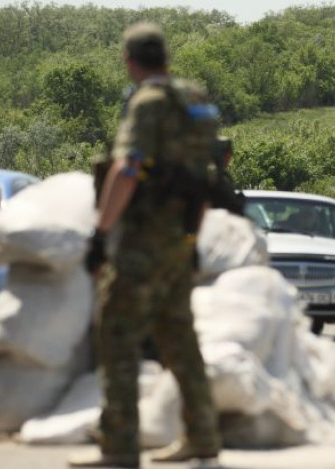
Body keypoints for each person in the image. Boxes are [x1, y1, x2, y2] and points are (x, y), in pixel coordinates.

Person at [69, 23, 221, 468]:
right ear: (165, 57)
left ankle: (120, 447)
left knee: (116, 335)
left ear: (130, 61)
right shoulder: (193, 100)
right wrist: (192, 238)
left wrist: (100, 235)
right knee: (179, 339)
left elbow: (129, 167)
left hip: (142, 241)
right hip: (180, 237)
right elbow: (203, 181)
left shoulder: (148, 103)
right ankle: (203, 436)